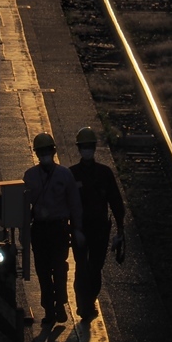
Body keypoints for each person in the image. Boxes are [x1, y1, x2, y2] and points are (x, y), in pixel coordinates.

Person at [24, 132, 84, 325]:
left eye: (46, 151)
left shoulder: (65, 175)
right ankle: (50, 309)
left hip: (58, 229)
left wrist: (77, 229)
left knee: (59, 269)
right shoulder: (30, 176)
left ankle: (59, 304)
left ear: (53, 151)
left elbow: (75, 205)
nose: (44, 155)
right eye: (41, 151)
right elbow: (25, 206)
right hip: (40, 230)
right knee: (42, 271)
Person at [69, 127, 125, 319]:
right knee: (82, 268)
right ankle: (83, 304)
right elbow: (66, 205)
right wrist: (74, 229)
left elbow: (116, 202)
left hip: (100, 230)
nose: (87, 150)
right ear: (79, 149)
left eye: (89, 146)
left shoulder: (105, 174)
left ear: (93, 148)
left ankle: (89, 301)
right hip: (80, 229)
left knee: (95, 268)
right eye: (84, 147)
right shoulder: (72, 174)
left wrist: (120, 229)